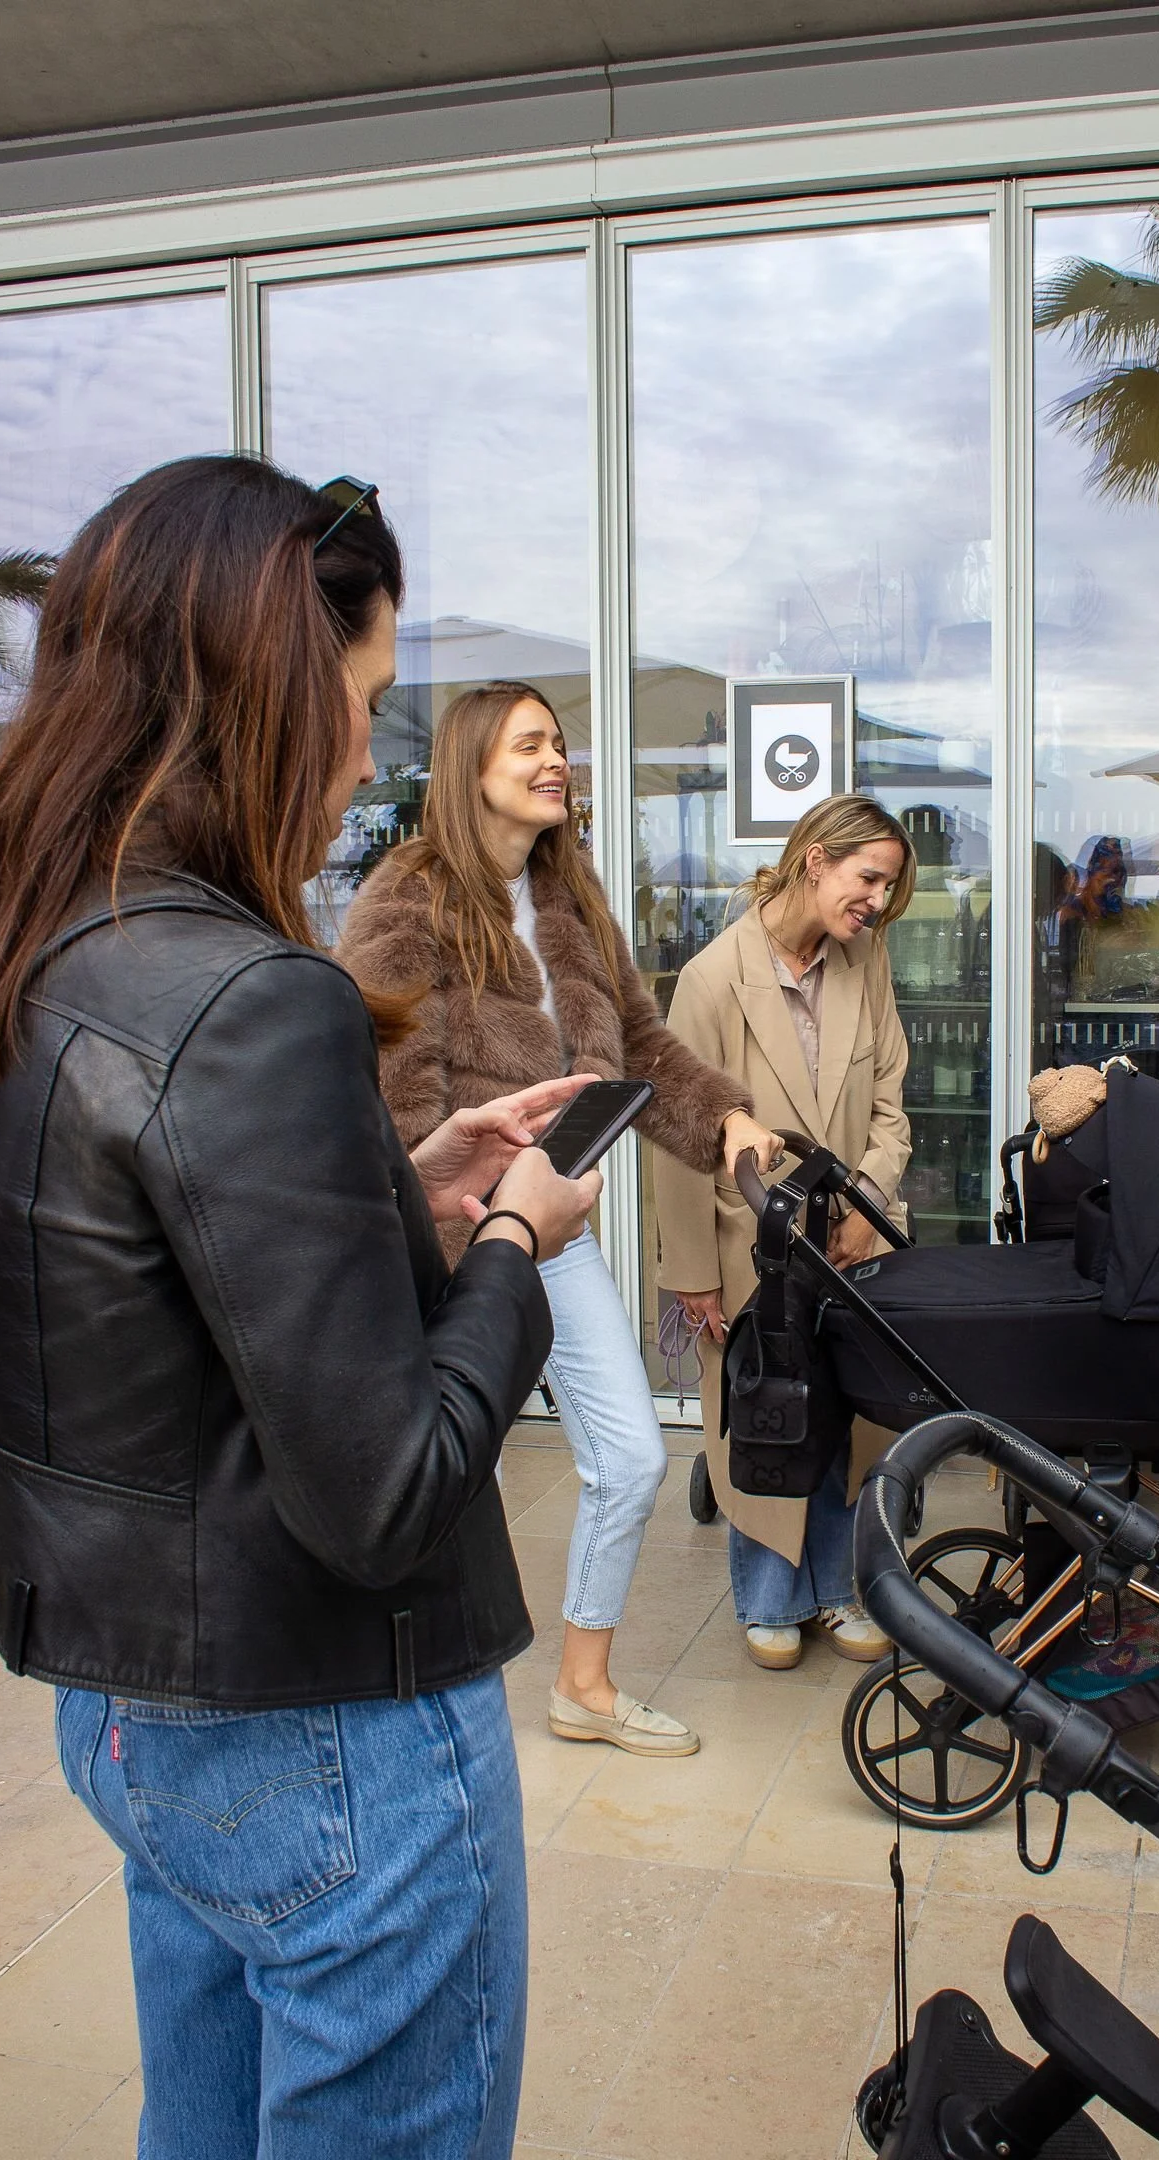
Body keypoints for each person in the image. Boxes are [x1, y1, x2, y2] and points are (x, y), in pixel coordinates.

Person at [0, 455, 602, 2160]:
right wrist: (510, 1251)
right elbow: (388, 1491)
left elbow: (116, 1276)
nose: (365, 747)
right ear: (266, 690)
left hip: (131, 1707)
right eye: (360, 697)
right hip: (327, 1737)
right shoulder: (254, 996)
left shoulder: (51, 954)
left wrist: (392, 1202)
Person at [338, 683, 780, 1754]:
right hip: (447, 1247)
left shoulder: (568, 893)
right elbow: (384, 1105)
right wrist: (454, 1241)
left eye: (559, 744)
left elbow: (638, 1042)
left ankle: (583, 1684)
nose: (556, 761)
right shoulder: (408, 902)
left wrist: (728, 1122)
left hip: (558, 1236)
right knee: (456, 1485)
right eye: (531, 744)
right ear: (470, 763)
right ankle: (432, 1707)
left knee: (630, 1457)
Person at [654, 794, 916, 1669]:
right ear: (815, 861)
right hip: (750, 1245)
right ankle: (769, 1598)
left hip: (849, 1239)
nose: (877, 901)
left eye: (887, 886)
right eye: (868, 878)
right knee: (767, 1416)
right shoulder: (711, 978)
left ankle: (839, 1591)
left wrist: (867, 1206)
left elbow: (890, 1104)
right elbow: (680, 1135)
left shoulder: (862, 960)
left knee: (842, 1414)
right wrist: (690, 1273)